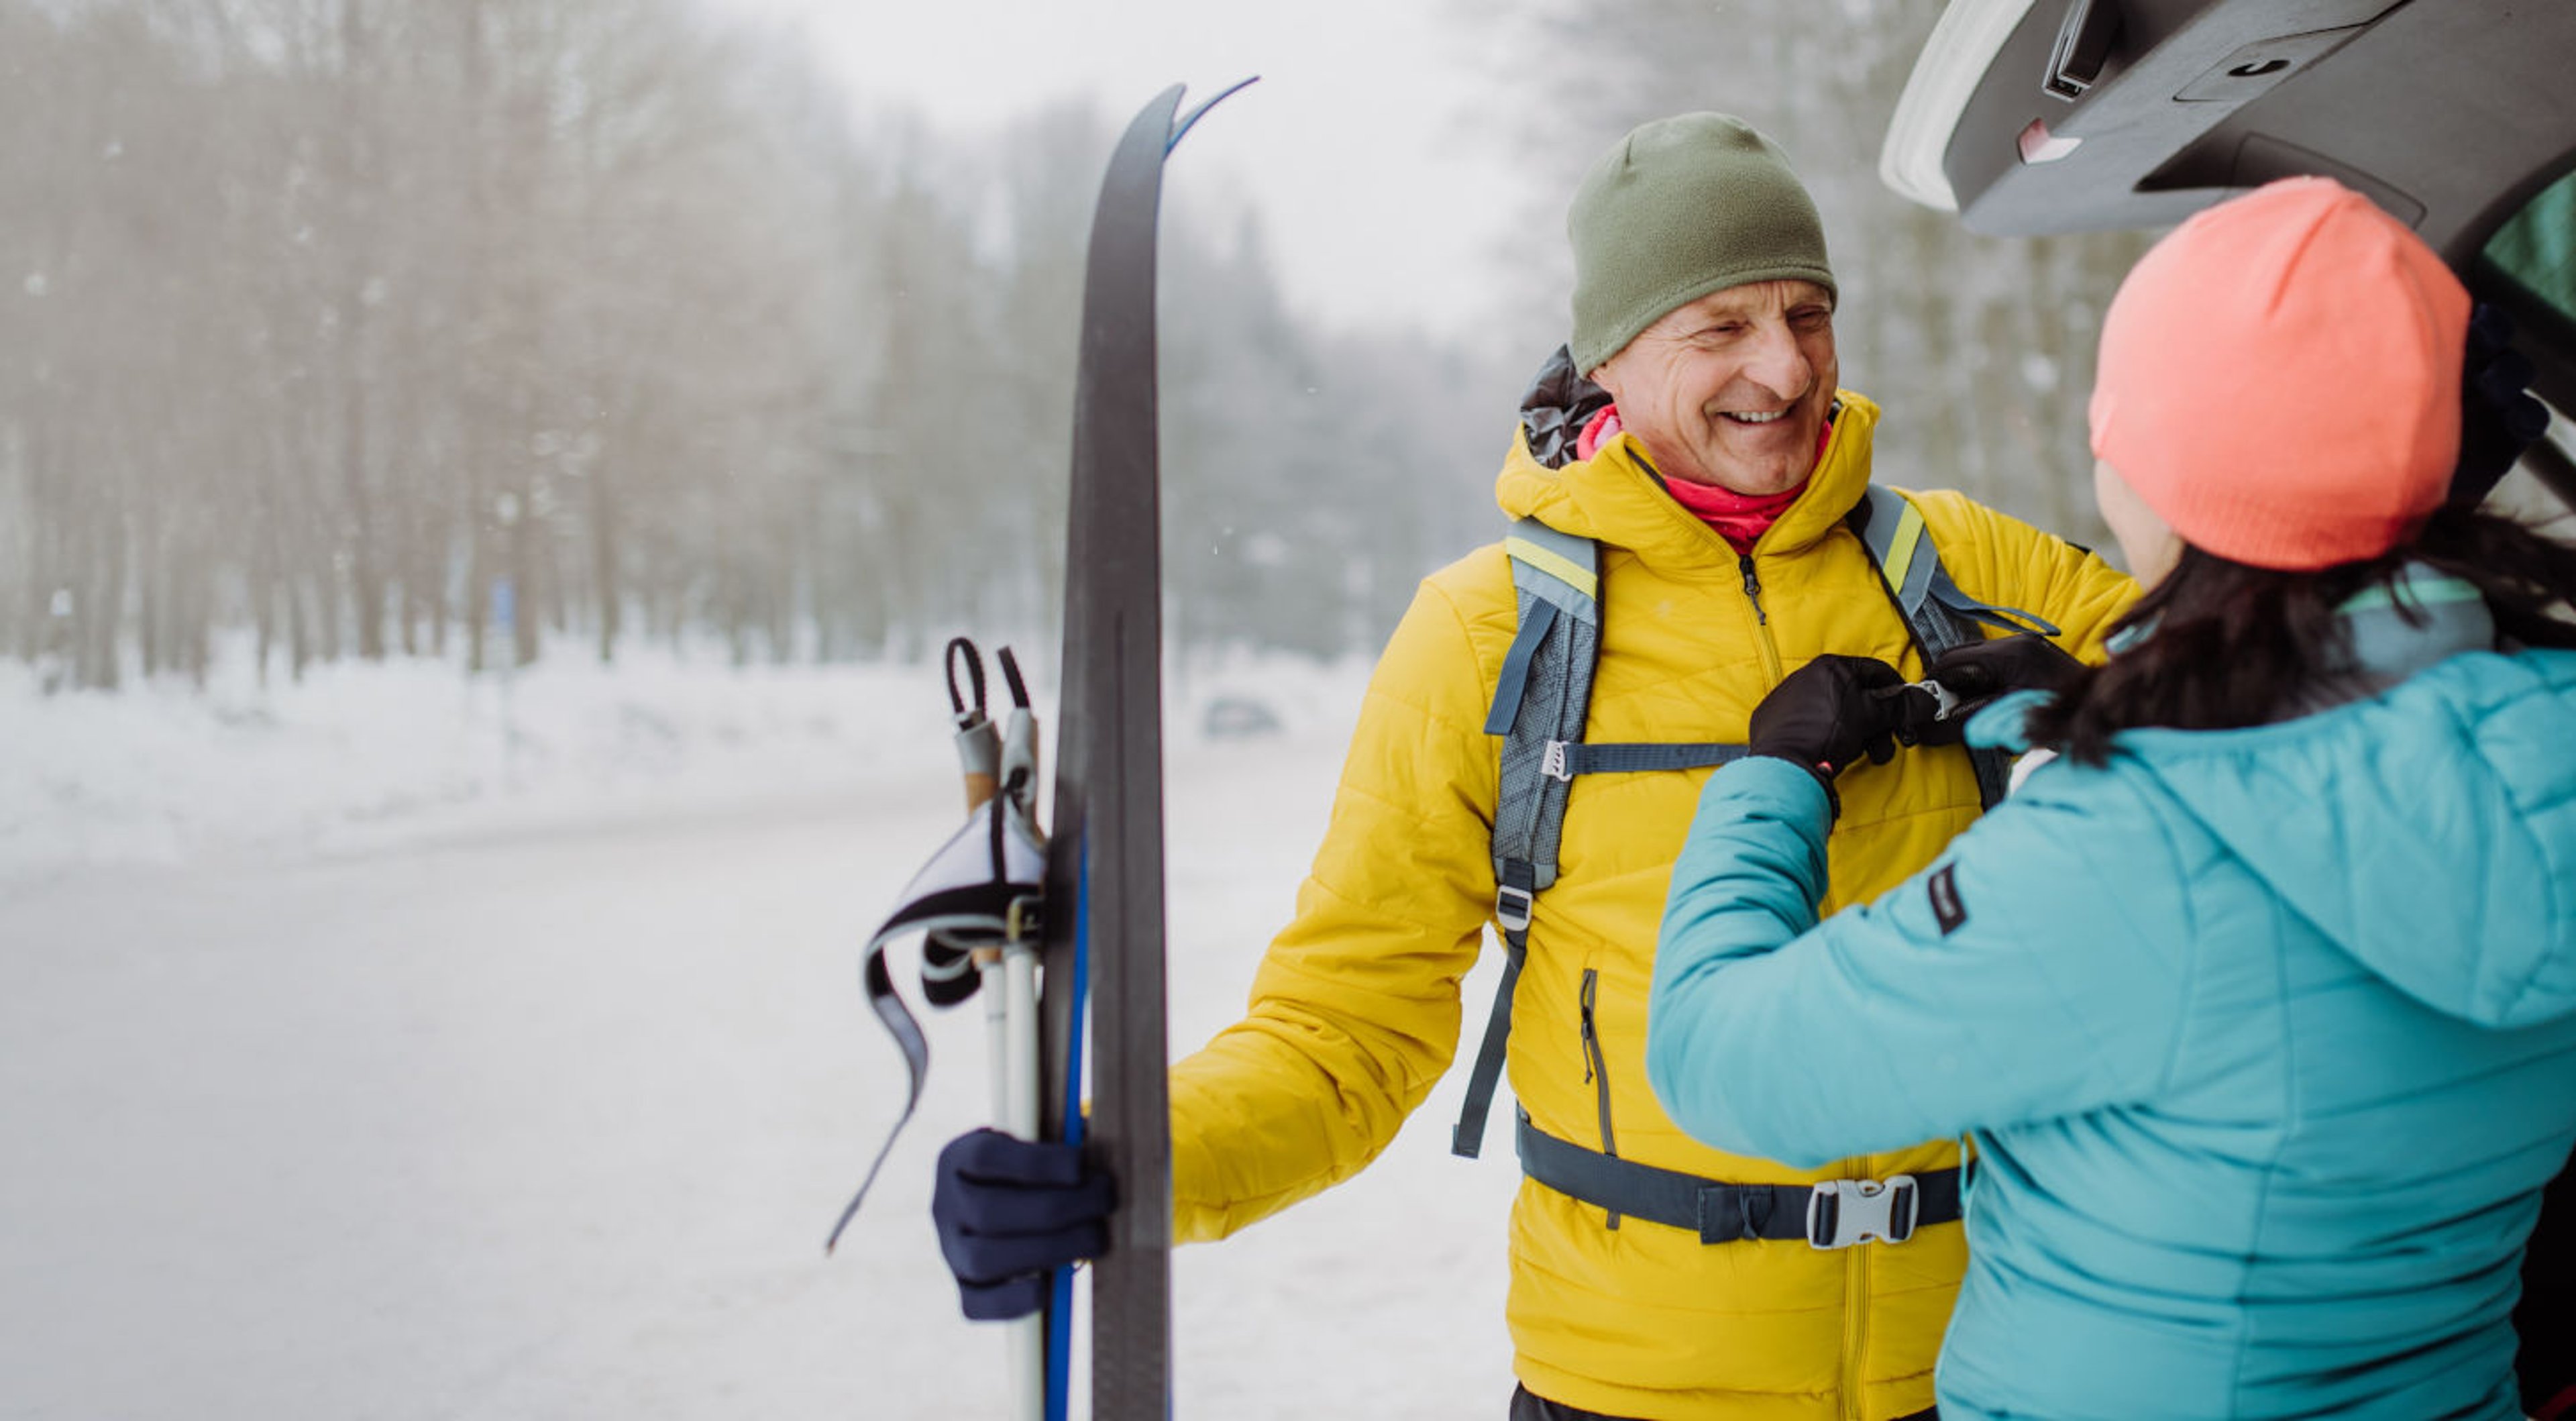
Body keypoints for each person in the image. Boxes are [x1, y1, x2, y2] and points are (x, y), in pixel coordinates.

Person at [934, 112, 2139, 1419]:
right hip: (1628, 1385)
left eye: (1808, 313)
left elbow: (2262, 697)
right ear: (1614, 355)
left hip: (1978, 1362)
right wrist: (1118, 1161)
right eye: (1722, 326)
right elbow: (1349, 1025)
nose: (1786, 370)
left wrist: (2112, 697)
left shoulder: (1963, 569)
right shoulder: (1488, 633)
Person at [1646, 176, 2576, 1420]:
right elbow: (2306, 823)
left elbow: (1720, 1059)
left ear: (2154, 456)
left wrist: (1771, 782)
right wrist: (2082, 715)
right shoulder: (2539, 734)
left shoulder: (2135, 858)